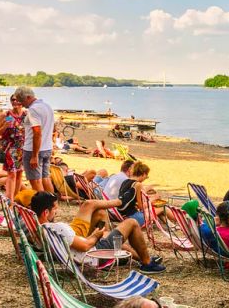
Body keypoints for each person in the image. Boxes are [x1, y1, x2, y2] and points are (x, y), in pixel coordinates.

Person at [31, 191, 165, 274]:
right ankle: (147, 264)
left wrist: (95, 236)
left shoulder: (38, 229)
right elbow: (85, 246)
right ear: (46, 212)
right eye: (55, 209)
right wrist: (95, 236)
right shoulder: (57, 228)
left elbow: (79, 244)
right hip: (92, 256)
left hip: (80, 254)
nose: (57, 212)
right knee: (131, 223)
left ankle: (143, 259)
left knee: (110, 234)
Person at [14, 86, 55, 193]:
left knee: (35, 181)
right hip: (47, 148)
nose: (20, 104)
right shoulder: (47, 106)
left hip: (33, 150)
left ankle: (43, 208)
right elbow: (51, 127)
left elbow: (37, 132)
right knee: (45, 178)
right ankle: (53, 206)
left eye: (21, 100)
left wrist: (34, 156)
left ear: (28, 97)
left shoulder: (33, 110)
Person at [117, 161, 174, 226]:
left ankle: (171, 225)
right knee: (162, 208)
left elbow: (130, 200)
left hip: (122, 215)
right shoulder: (138, 185)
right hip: (133, 217)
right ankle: (180, 219)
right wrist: (152, 200)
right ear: (143, 174)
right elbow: (141, 207)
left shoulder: (125, 181)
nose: (146, 178)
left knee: (156, 208)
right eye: (146, 176)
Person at [0, 95, 26, 202]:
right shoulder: (7, 115)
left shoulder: (26, 115)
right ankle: (10, 201)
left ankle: (15, 199)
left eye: (18, 99)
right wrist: (5, 126)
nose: (15, 101)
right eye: (13, 100)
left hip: (22, 148)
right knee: (12, 173)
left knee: (20, 173)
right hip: (9, 148)